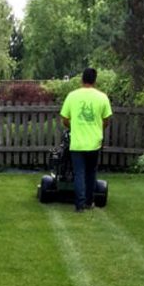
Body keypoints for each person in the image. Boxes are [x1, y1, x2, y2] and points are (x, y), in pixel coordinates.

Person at [60, 67, 112, 212]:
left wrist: (74, 125)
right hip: (94, 142)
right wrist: (97, 127)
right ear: (95, 80)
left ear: (82, 79)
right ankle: (89, 202)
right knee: (91, 173)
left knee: (79, 173)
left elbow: (65, 119)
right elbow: (106, 120)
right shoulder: (102, 97)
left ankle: (79, 205)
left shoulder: (72, 96)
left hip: (77, 142)